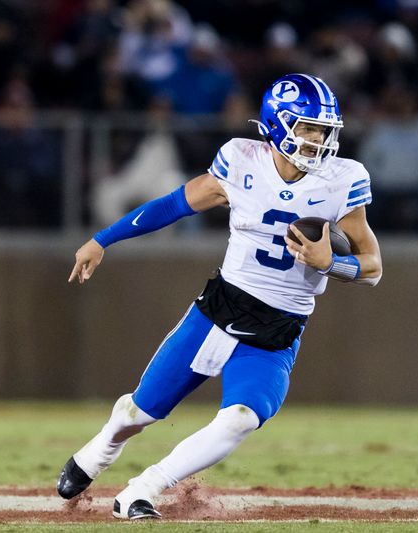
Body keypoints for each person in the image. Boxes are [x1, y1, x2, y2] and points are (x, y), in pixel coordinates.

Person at [56, 73, 382, 520]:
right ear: (276, 124)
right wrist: (103, 239)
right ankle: (101, 449)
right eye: (307, 128)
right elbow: (173, 204)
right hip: (218, 310)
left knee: (241, 418)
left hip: (278, 328)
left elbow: (372, 268)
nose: (318, 140)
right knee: (139, 411)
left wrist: (329, 264)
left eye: (323, 131)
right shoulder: (240, 159)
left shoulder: (343, 180)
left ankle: (142, 488)